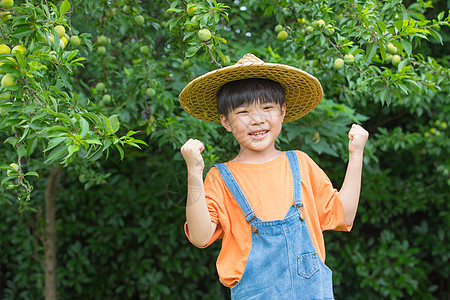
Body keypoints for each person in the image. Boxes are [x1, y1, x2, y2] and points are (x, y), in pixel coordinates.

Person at [179, 53, 369, 299]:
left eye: (267, 107)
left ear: (282, 111)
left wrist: (356, 154)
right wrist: (194, 172)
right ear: (225, 121)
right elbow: (200, 236)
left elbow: (344, 215)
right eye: (243, 112)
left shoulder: (300, 164)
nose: (257, 120)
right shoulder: (220, 178)